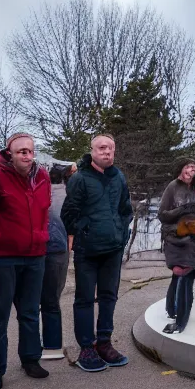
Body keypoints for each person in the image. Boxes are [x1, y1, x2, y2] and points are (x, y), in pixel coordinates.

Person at [0, 133, 51, 389]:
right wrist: (2, 238)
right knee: (0, 315)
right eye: (21, 151)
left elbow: (44, 211)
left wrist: (39, 238)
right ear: (10, 153)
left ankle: (30, 359)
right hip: (2, 258)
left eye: (30, 151)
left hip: (35, 256)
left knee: (30, 312)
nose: (27, 156)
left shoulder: (42, 177)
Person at [61, 134, 133, 373]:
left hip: (113, 249)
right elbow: (69, 213)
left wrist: (122, 235)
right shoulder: (79, 179)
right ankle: (86, 347)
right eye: (102, 148)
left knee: (109, 296)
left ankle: (104, 343)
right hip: (87, 251)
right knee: (84, 299)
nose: (107, 152)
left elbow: (126, 209)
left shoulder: (118, 177)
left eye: (111, 148)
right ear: (92, 151)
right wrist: (85, 232)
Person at [159, 157, 195, 334]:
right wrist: (184, 210)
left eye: (193, 168)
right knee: (182, 278)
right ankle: (176, 314)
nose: (191, 170)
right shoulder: (173, 187)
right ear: (181, 170)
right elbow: (163, 215)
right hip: (180, 241)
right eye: (188, 167)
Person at [40, 165, 72, 360]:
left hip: (44, 248)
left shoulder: (48, 195)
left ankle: (34, 345)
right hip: (59, 248)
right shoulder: (67, 195)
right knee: (52, 299)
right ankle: (52, 345)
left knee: (31, 302)